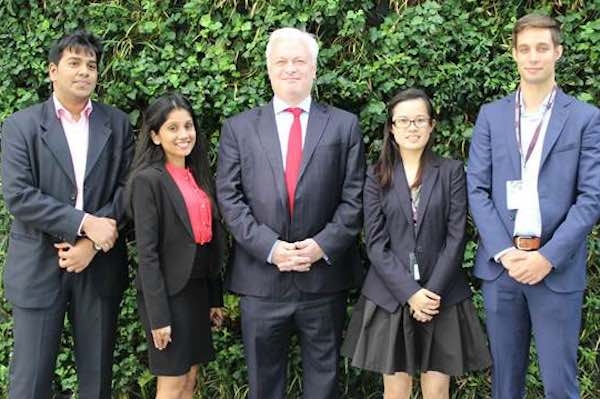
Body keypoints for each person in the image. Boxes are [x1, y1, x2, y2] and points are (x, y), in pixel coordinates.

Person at [216, 27, 366, 399]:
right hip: (261, 280)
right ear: (268, 69)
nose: (290, 69)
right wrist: (270, 248)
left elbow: (355, 198)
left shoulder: (344, 125)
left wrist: (320, 245)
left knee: (324, 383)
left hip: (322, 281)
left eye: (299, 61)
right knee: (263, 386)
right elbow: (229, 199)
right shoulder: (239, 128)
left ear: (314, 69)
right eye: (281, 61)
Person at [467, 14, 600, 399]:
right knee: (505, 386)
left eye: (542, 48)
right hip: (502, 270)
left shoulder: (586, 119)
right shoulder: (491, 116)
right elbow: (476, 187)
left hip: (555, 271)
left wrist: (548, 256)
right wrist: (506, 253)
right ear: (514, 54)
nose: (533, 57)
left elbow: (591, 197)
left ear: (558, 52)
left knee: (560, 385)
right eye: (524, 49)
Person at [1, 30, 134, 398]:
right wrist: (84, 223)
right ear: (52, 71)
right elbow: (19, 195)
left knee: (96, 383)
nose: (84, 72)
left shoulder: (117, 123)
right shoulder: (21, 126)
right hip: (39, 267)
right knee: (29, 383)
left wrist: (92, 241)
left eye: (91, 65)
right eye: (74, 63)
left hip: (99, 266)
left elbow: (128, 188)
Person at [342, 88, 491, 399]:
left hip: (443, 295)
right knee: (396, 389)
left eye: (420, 120)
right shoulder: (377, 175)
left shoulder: (450, 171)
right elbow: (376, 244)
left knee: (437, 389)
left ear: (432, 125)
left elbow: (456, 237)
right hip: (391, 295)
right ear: (392, 128)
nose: (412, 127)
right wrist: (410, 294)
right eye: (404, 121)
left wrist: (431, 293)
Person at [126, 93, 225, 399]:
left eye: (188, 126)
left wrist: (214, 298)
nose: (184, 135)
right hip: (167, 296)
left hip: (196, 292)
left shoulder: (198, 176)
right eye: (172, 128)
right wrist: (159, 317)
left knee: (190, 378)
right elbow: (148, 254)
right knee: (171, 381)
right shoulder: (147, 181)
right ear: (155, 136)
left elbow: (209, 241)